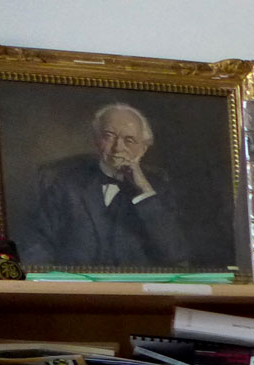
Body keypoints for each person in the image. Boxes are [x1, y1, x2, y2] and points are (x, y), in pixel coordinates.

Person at [16, 103, 189, 269]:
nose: (117, 147)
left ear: (143, 149)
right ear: (97, 140)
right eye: (109, 136)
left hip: (138, 293)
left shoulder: (157, 186)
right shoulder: (66, 184)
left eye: (129, 140)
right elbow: (37, 245)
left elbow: (175, 253)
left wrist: (144, 190)